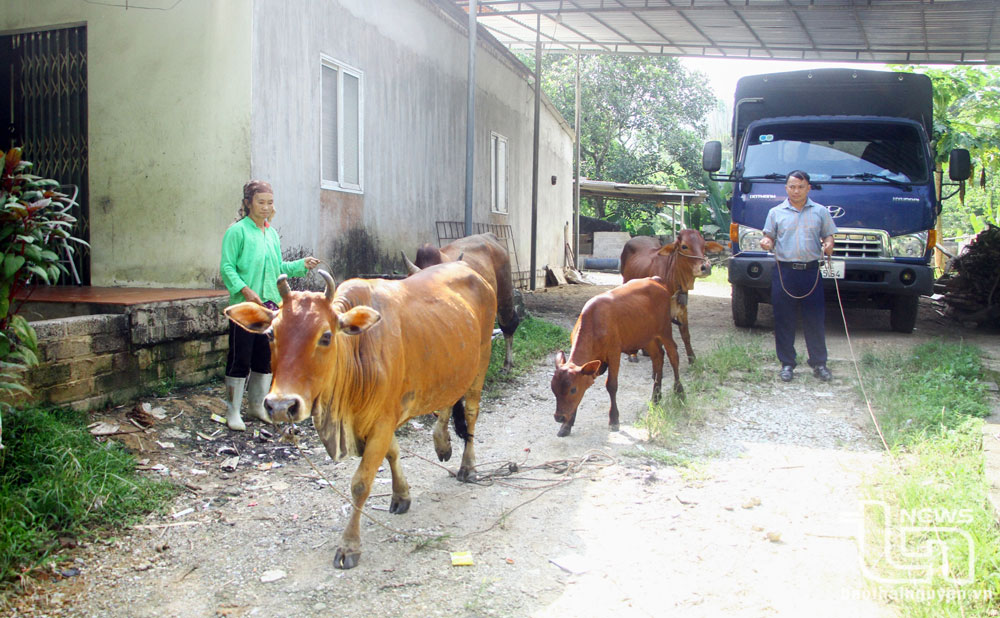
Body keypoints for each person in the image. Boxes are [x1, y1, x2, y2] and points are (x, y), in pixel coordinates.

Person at [219, 180, 320, 430]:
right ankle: (233, 412)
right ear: (248, 203)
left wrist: (300, 264)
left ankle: (256, 407)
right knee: (239, 359)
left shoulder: (270, 233)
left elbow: (278, 268)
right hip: (246, 309)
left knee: (264, 360)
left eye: (270, 203)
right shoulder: (237, 232)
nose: (266, 207)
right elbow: (227, 267)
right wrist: (245, 290)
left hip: (271, 308)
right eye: (261, 202)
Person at [759, 170, 837, 383]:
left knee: (815, 319)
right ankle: (787, 364)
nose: (796, 191)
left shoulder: (820, 212)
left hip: (811, 271)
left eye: (800, 187)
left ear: (808, 188)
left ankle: (819, 363)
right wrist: (766, 242)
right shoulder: (776, 212)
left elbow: (828, 235)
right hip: (784, 272)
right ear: (786, 188)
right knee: (784, 319)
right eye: (792, 187)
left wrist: (829, 243)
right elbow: (769, 236)